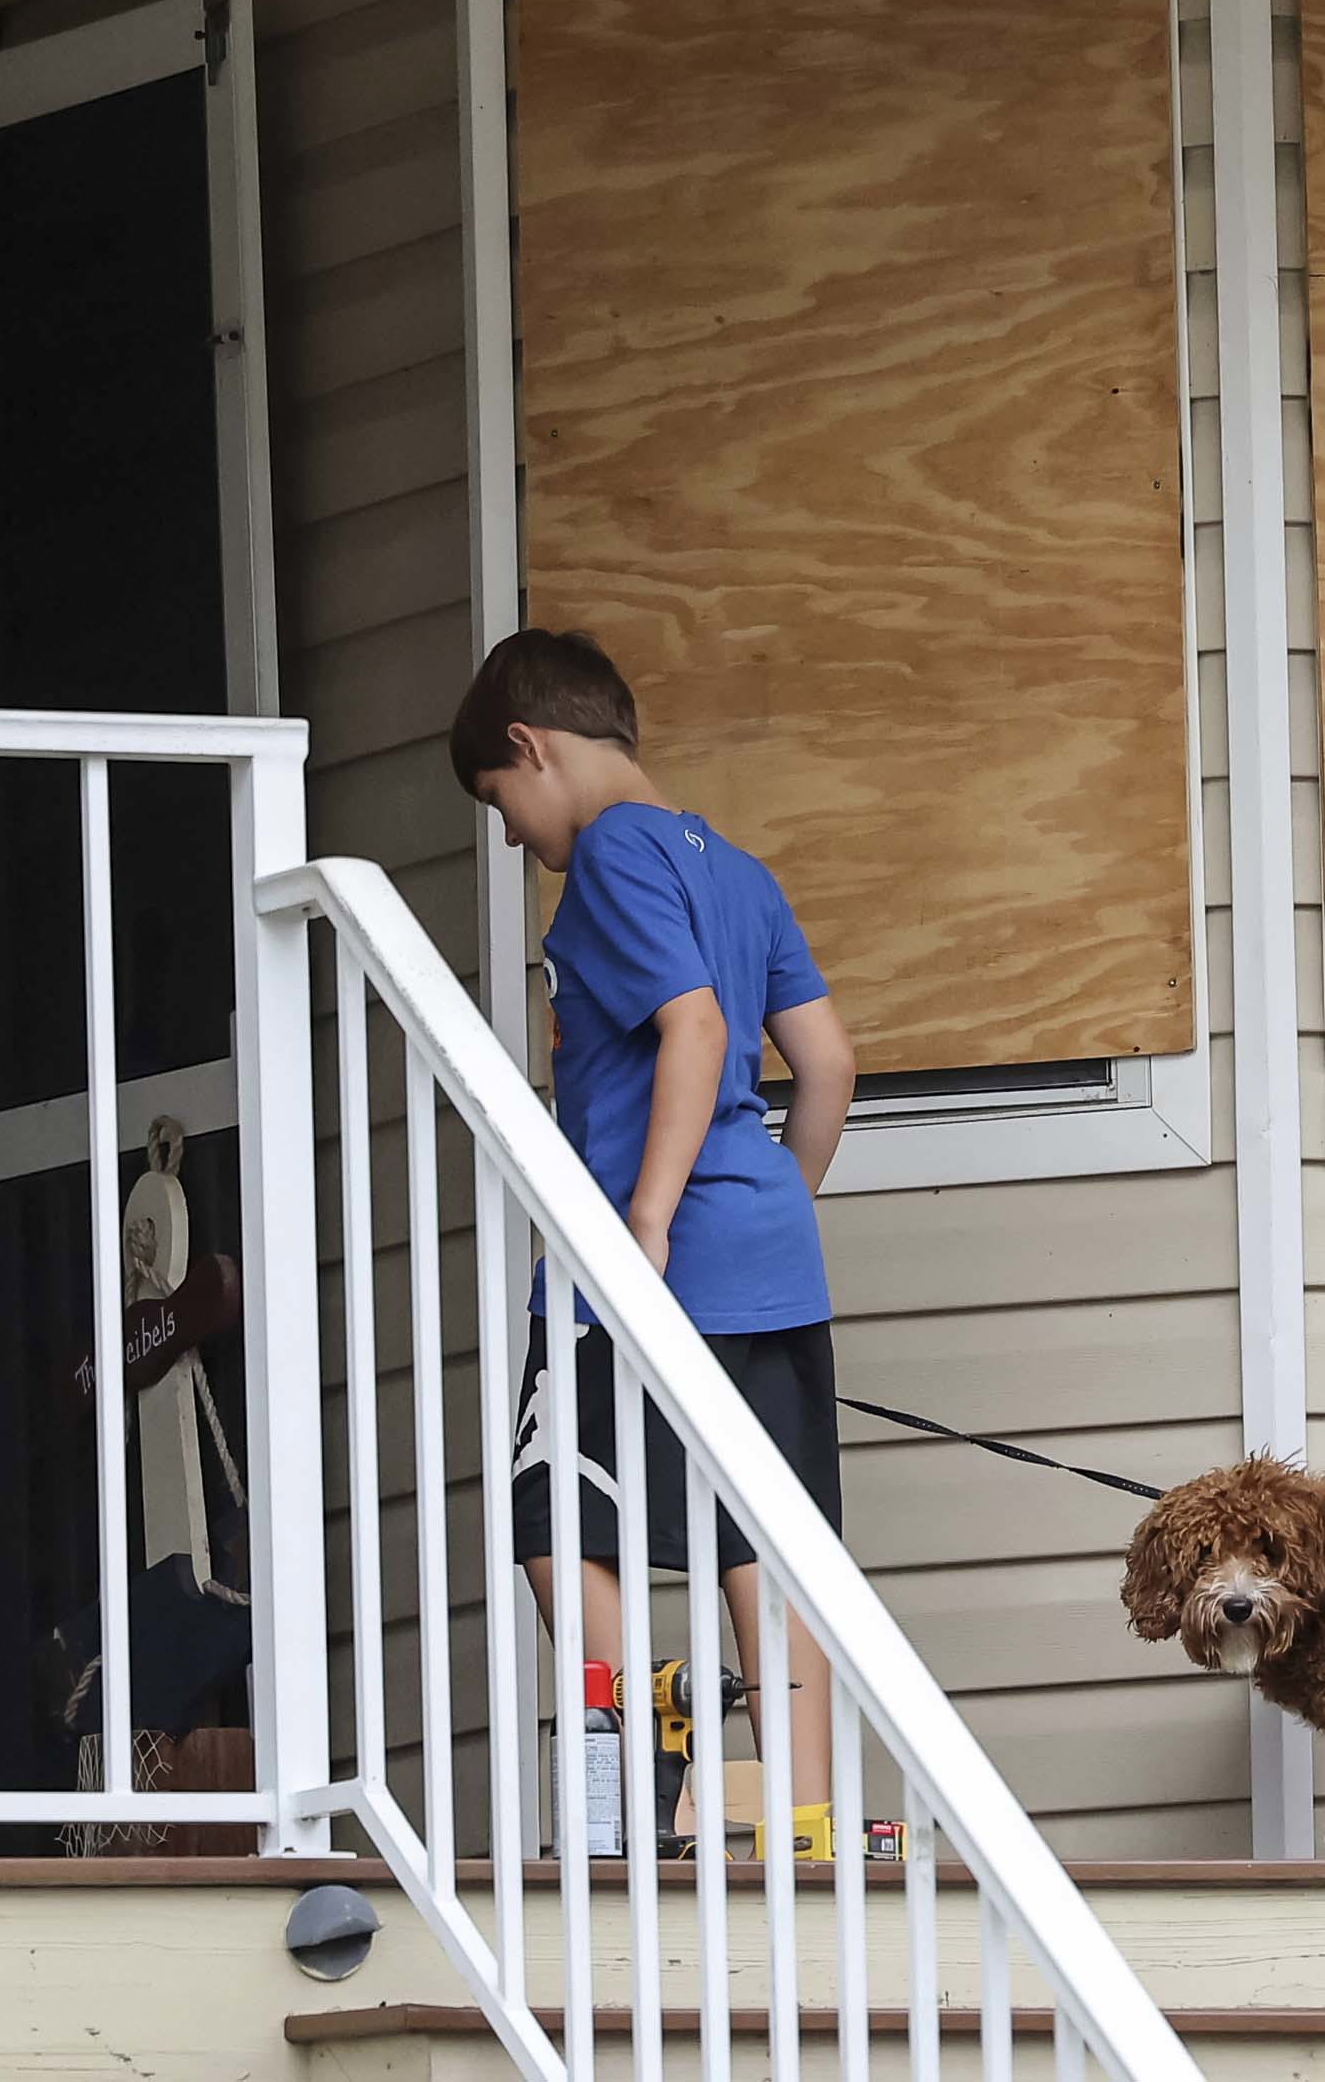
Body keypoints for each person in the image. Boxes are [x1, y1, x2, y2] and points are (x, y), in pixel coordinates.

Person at [450, 626, 859, 1853]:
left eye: (501, 804)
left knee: (556, 1519)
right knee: (765, 1545)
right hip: (767, 1258)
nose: (516, 837)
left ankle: (653, 1779)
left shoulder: (614, 856)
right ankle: (801, 1817)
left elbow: (687, 1028)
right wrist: (759, 1211)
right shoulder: (737, 868)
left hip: (641, 1265)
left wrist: (646, 1222)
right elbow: (828, 1065)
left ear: (530, 746)